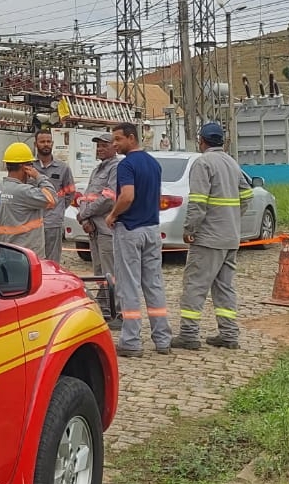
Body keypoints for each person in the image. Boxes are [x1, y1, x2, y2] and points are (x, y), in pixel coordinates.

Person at [172, 122, 246, 351]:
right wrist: (231, 217)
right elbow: (247, 193)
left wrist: (189, 230)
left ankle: (189, 334)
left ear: (201, 141)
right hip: (230, 237)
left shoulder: (203, 163)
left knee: (195, 285)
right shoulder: (232, 163)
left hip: (208, 238)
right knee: (224, 287)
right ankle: (229, 334)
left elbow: (198, 202)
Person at [105, 121, 171, 357]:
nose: (115, 144)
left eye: (118, 139)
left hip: (130, 230)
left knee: (128, 285)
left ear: (131, 138)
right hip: (152, 229)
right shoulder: (153, 163)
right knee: (153, 285)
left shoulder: (126, 165)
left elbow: (127, 196)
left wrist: (112, 215)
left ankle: (131, 340)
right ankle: (162, 339)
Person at [75, 132, 121, 327]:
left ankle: (117, 312)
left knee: (111, 272)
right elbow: (88, 197)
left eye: (104, 145)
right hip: (94, 228)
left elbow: (109, 198)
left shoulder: (116, 168)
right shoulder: (98, 170)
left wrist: (85, 214)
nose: (100, 148)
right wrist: (84, 217)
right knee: (100, 272)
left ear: (114, 147)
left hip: (107, 229)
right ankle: (104, 309)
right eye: (98, 145)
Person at [0, 141, 57, 255]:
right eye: (30, 164)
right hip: (27, 255)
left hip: (5, 250)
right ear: (24, 167)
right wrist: (38, 177)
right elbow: (52, 199)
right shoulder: (23, 191)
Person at [32, 129, 75, 263]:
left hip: (53, 223)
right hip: (32, 222)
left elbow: (70, 192)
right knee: (34, 260)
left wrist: (58, 208)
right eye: (42, 141)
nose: (46, 144)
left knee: (52, 262)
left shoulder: (63, 168)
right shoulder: (29, 167)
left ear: (52, 143)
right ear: (35, 144)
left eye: (48, 141)